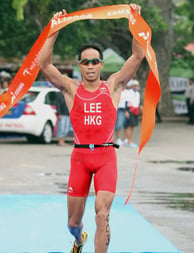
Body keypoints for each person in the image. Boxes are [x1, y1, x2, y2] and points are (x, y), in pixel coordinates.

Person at [38, 4, 144, 253]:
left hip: (106, 157)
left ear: (101, 63)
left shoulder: (114, 85)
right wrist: (54, 29)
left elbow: (137, 56)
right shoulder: (71, 88)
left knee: (102, 215)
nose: (90, 66)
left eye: (94, 61)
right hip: (80, 158)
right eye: (85, 62)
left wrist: (135, 21)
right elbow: (44, 64)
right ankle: (79, 240)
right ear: (80, 65)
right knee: (72, 222)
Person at [123, 79, 141, 148]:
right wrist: (126, 111)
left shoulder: (137, 93)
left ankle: (129, 140)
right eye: (134, 85)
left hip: (135, 111)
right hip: (130, 110)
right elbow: (126, 102)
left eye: (136, 85)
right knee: (129, 126)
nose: (136, 87)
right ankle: (128, 141)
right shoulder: (128, 92)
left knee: (132, 126)